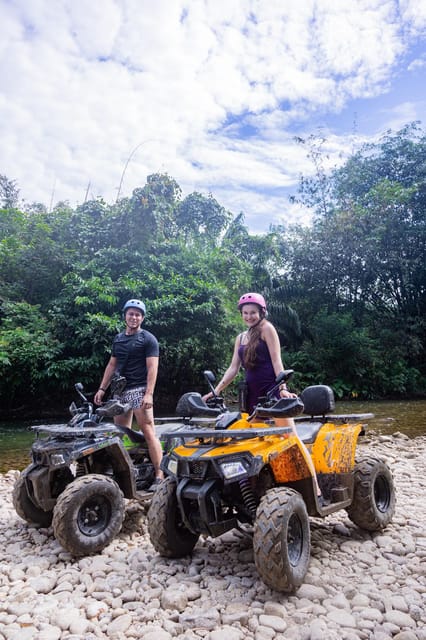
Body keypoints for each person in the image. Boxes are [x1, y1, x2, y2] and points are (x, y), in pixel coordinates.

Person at [203, 292, 322, 497]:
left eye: (253, 313)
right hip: (251, 397)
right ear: (241, 314)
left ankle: (315, 488)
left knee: (290, 438)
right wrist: (216, 391)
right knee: (254, 443)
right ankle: (257, 491)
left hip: (272, 392)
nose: (249, 316)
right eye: (245, 313)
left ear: (261, 312)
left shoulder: (267, 329)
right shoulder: (241, 337)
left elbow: (277, 361)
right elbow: (233, 368)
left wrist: (283, 387)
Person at [94, 298, 163, 490]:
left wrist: (149, 394)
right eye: (131, 314)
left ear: (142, 318)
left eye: (138, 314)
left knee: (148, 430)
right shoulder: (118, 338)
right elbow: (112, 364)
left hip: (139, 389)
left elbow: (152, 368)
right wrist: (102, 388)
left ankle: (159, 474)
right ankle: (126, 472)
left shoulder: (148, 339)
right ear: (125, 315)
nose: (134, 317)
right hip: (120, 391)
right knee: (120, 434)